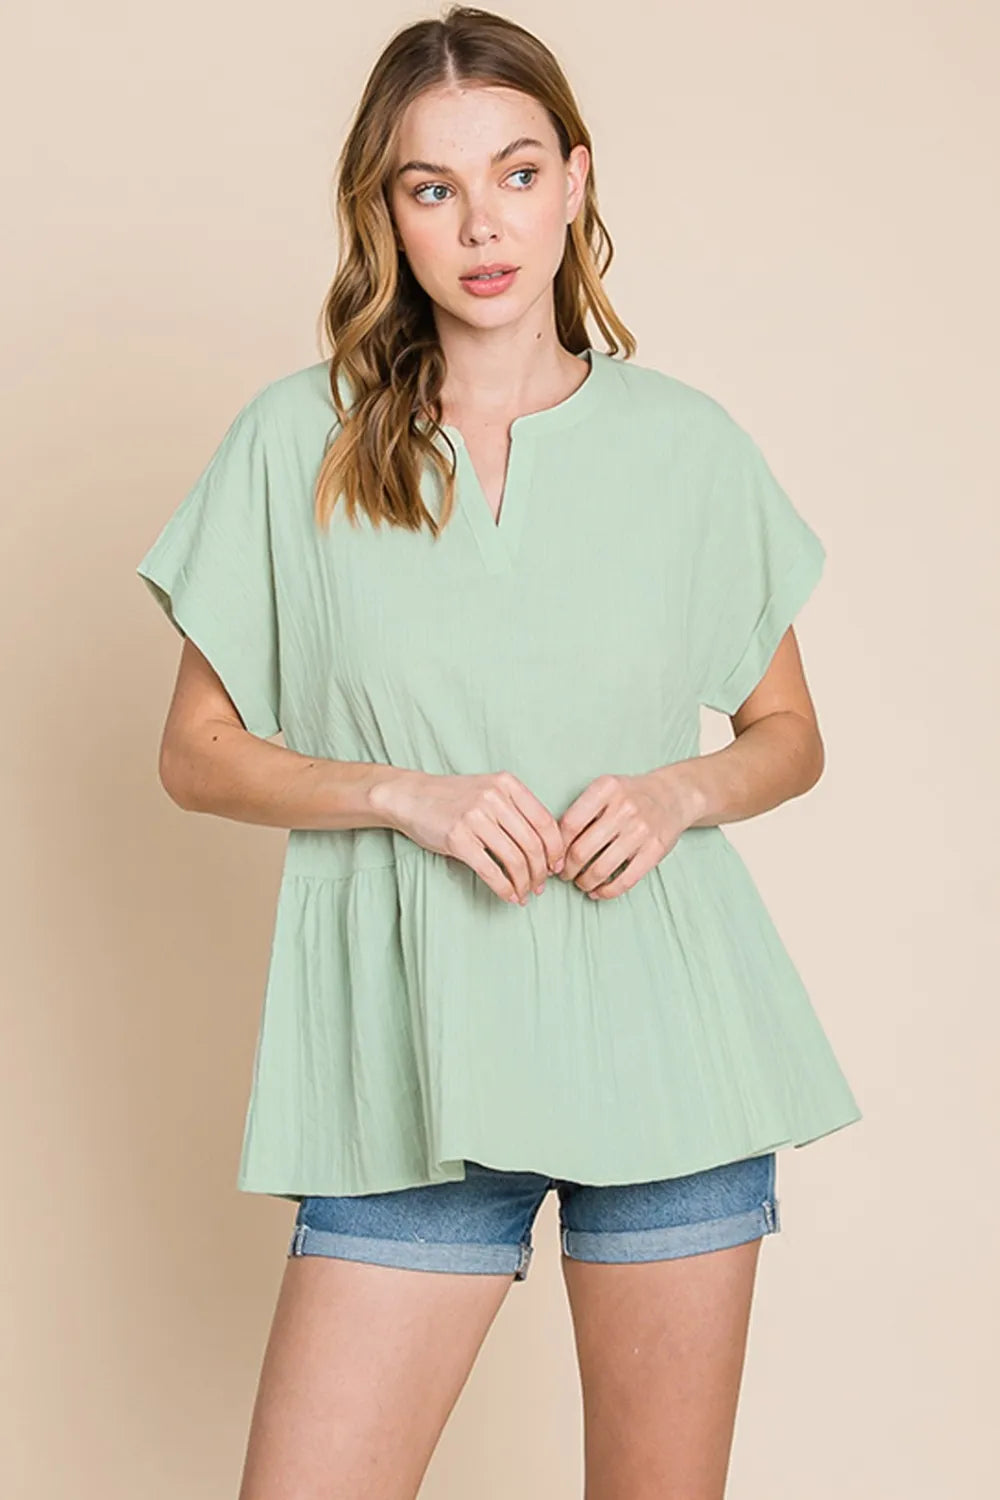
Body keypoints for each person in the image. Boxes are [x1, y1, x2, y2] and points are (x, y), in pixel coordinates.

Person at [135, 7, 862, 1498]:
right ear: (384, 210)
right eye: (434, 186)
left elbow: (789, 736)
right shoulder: (298, 441)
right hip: (405, 1057)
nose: (482, 225)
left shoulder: (686, 447)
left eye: (518, 174)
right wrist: (396, 792)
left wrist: (678, 790)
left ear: (575, 182)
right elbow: (196, 752)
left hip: (665, 1039)